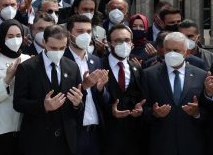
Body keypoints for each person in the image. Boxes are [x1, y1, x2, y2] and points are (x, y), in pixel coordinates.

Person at [13, 24, 84, 155]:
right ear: (44, 42)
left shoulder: (72, 67)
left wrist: (77, 104)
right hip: (37, 140)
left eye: (62, 48)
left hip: (66, 141)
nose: (57, 51)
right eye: (53, 48)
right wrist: (43, 106)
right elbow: (18, 103)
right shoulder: (27, 68)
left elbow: (79, 107)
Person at [142, 31, 207, 155]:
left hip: (192, 145)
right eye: (168, 50)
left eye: (176, 50)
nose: (172, 54)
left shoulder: (201, 75)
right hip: (161, 145)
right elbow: (143, 110)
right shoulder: (149, 75)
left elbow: (207, 111)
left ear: (186, 52)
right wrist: (154, 113)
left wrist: (197, 113)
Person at [0, 19, 31, 155]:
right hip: (1, 127)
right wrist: (7, 78)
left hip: (24, 125)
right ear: (2, 37)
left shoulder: (28, 59)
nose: (15, 40)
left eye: (18, 36)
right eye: (10, 36)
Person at [64, 15, 109, 155]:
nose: (85, 35)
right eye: (80, 31)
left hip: (95, 131)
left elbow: (104, 100)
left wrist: (101, 89)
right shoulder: (62, 59)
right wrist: (84, 86)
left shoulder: (96, 60)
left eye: (88, 32)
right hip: (74, 131)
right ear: (69, 34)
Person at [100, 24, 147, 155]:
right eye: (118, 41)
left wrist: (140, 109)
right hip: (106, 136)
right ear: (109, 43)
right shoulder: (99, 65)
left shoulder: (136, 68)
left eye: (127, 40)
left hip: (132, 136)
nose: (123, 44)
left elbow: (142, 96)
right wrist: (110, 110)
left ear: (132, 43)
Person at [143, 31, 208, 70]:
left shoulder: (198, 63)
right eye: (163, 57)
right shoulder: (149, 65)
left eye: (175, 50)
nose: (171, 55)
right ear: (157, 48)